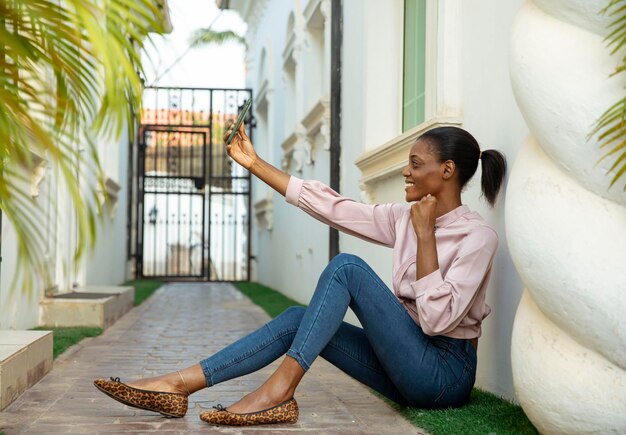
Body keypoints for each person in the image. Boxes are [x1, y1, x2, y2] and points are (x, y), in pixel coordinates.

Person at [94, 121, 507, 426]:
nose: (405, 172)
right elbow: (333, 207)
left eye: (416, 164)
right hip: (403, 362)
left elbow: (436, 322)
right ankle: (181, 383)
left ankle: (279, 390)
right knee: (296, 320)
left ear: (448, 170)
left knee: (348, 267)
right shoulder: (403, 217)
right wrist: (255, 164)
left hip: (441, 376)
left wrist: (425, 238)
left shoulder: (477, 237)